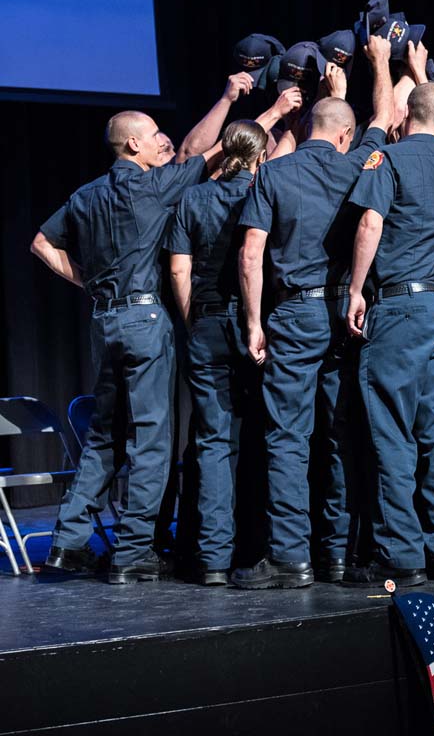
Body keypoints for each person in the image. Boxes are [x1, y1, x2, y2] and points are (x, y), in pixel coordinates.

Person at [30, 111, 221, 584]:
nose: (164, 140)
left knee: (104, 435)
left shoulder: (84, 195)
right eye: (156, 134)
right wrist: (270, 110)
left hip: (105, 320)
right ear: (134, 144)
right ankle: (134, 551)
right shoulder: (153, 187)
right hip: (144, 318)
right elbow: (215, 152)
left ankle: (68, 545)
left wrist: (93, 285)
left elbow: (40, 243)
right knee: (151, 439)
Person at [231, 34, 394, 590]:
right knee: (339, 435)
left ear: (306, 130)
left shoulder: (273, 174)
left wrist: (254, 322)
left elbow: (251, 253)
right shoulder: (362, 167)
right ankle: (337, 555)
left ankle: (289, 558)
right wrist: (376, 65)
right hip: (350, 317)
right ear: (345, 136)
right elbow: (386, 114)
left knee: (286, 438)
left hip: (294, 317)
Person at [342, 82, 434, 588]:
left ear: (404, 114)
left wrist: (355, 288)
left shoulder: (389, 160)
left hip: (400, 306)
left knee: (392, 431)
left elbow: (370, 223)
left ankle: (402, 555)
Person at [166, 120, 271, 586]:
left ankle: (212, 560)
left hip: (207, 324)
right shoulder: (265, 191)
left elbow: (178, 270)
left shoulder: (193, 198)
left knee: (212, 442)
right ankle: (258, 548)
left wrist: (194, 320)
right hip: (258, 327)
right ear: (260, 155)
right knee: (266, 439)